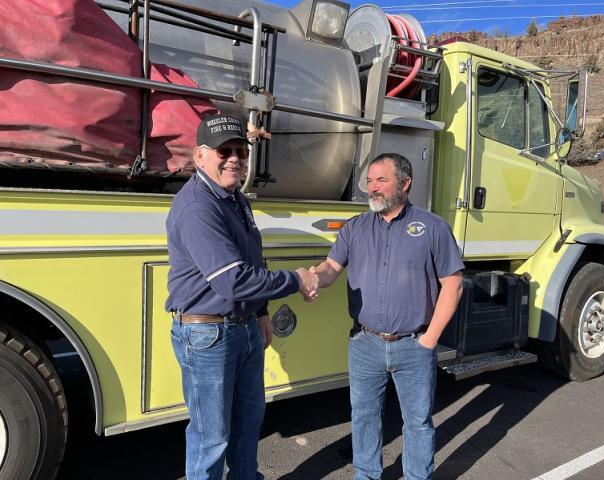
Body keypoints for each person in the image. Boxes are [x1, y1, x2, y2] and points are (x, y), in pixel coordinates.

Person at [165, 114, 317, 480]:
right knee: (211, 437)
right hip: (208, 337)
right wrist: (296, 280)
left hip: (242, 328)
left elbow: (250, 260)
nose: (234, 158)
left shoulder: (233, 198)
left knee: (248, 424)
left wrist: (261, 312)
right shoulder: (198, 207)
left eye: (240, 151)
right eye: (224, 151)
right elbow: (233, 280)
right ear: (200, 156)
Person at [309, 153, 464, 480]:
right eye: (370, 181)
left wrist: (429, 340)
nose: (372, 188)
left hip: (413, 345)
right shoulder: (356, 228)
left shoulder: (433, 228)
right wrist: (311, 278)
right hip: (365, 344)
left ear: (405, 184)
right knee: (364, 417)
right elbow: (331, 268)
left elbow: (453, 285)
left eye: (382, 180)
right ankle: (366, 475)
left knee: (417, 422)